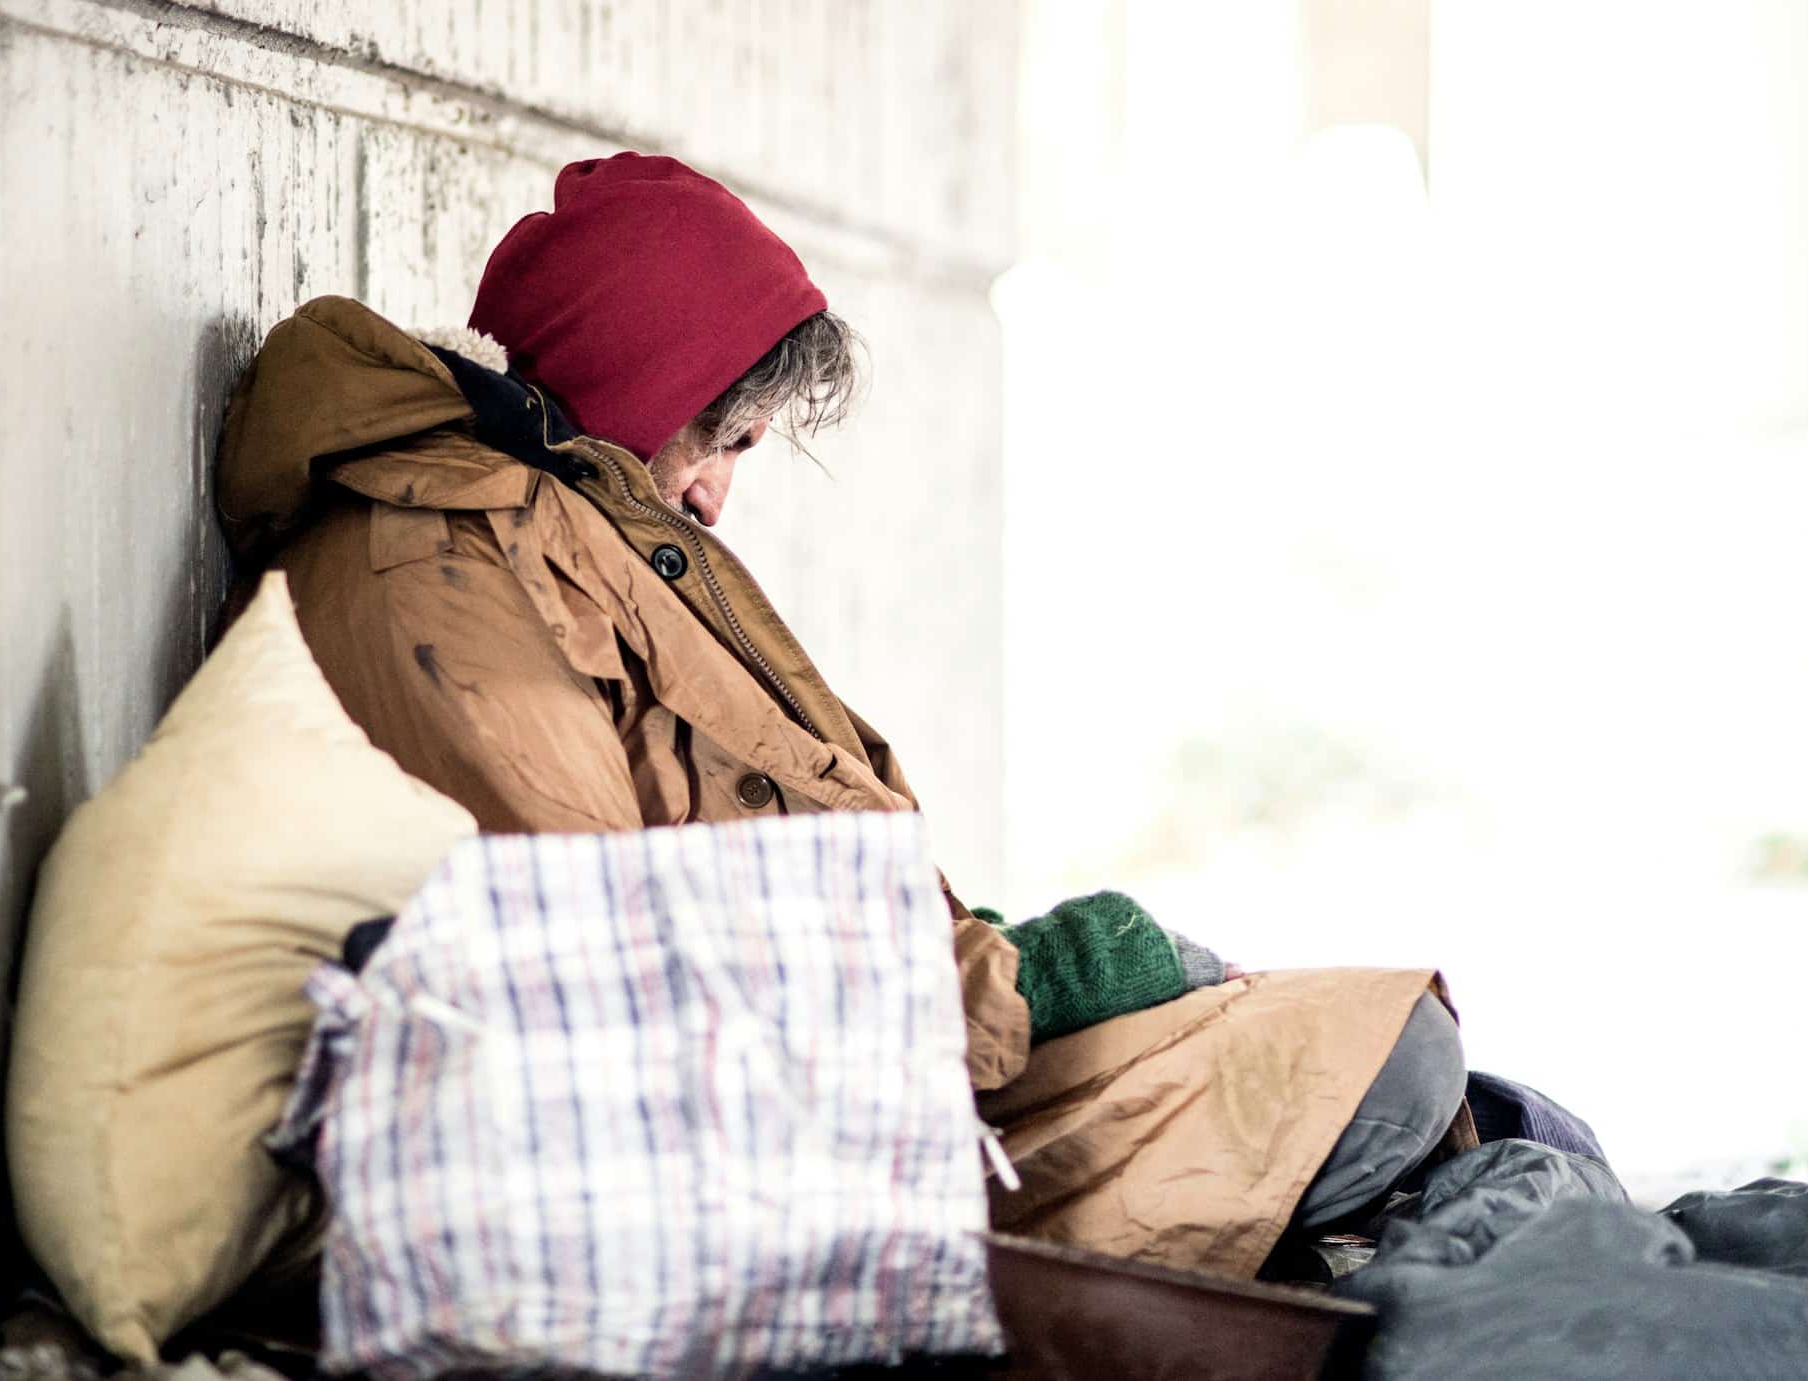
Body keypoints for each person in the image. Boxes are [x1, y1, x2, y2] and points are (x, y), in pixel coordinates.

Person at [216, 151, 1469, 1277]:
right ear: (638, 390)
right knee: (1395, 1081)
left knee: (1459, 1102)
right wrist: (1022, 981)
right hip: (766, 1160)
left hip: (863, 1081)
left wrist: (989, 963)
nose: (713, 496)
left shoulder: (571, 536)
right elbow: (602, 966)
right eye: (725, 441)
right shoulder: (438, 573)